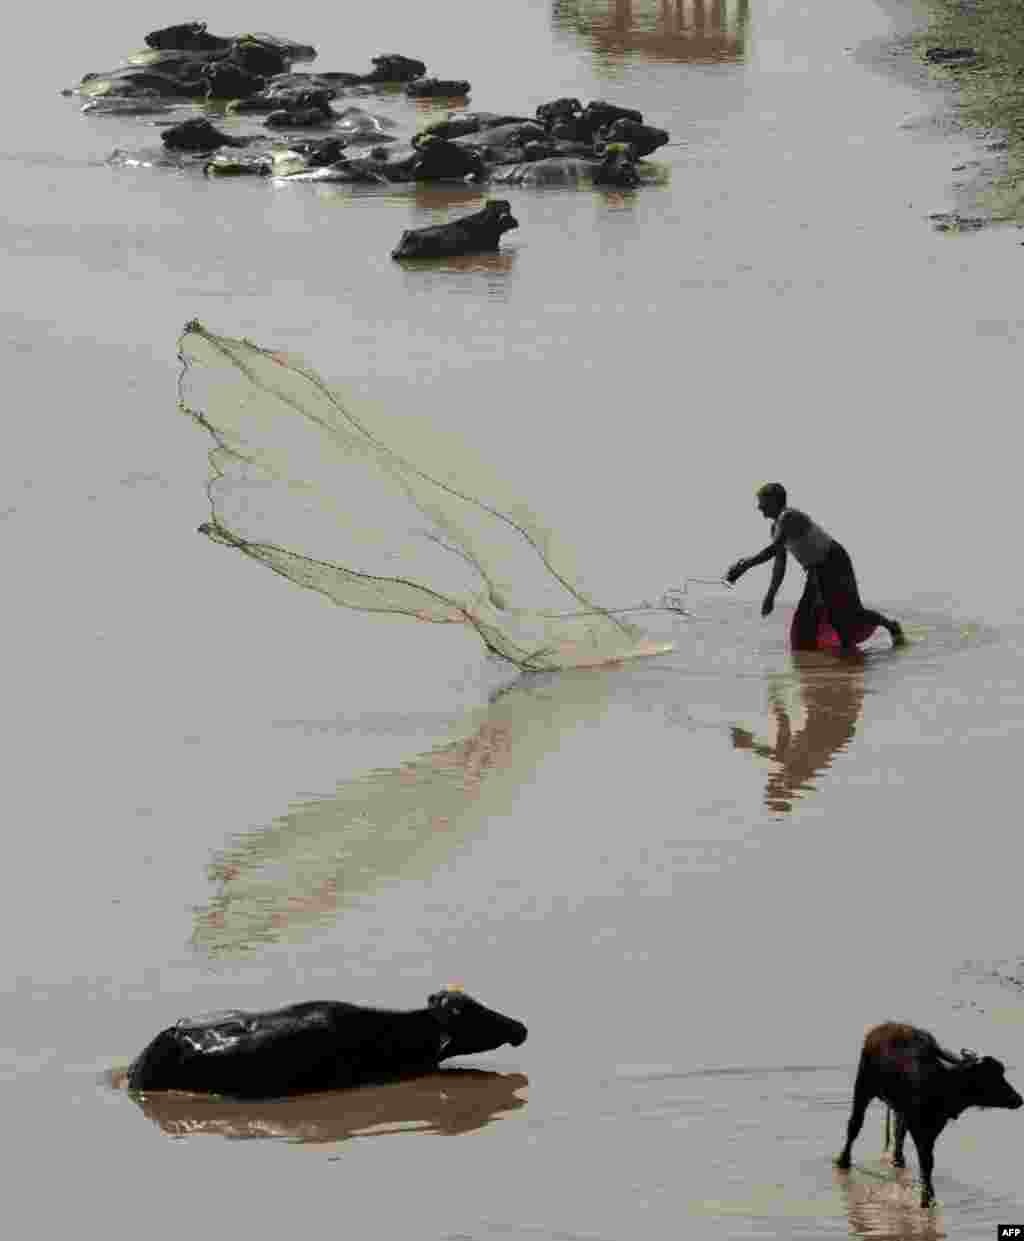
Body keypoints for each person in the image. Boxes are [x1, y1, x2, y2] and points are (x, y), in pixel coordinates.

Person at [725, 483, 904, 650]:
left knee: (847, 612)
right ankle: (828, 661)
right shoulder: (775, 528)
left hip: (833, 561)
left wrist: (745, 565)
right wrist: (771, 595)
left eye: (762, 502)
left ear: (774, 501)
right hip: (815, 569)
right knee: (809, 617)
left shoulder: (788, 516)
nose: (759, 507)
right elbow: (779, 564)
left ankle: (889, 627)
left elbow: (774, 549)